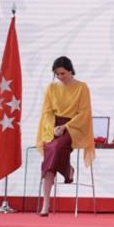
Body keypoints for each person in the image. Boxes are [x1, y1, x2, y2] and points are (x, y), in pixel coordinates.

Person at [36, 57, 93, 217]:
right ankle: (46, 201)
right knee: (52, 152)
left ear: (70, 70)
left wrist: (65, 126)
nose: (60, 76)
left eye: (62, 73)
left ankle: (67, 171)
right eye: (57, 74)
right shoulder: (51, 88)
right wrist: (53, 128)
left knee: (55, 148)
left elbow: (84, 113)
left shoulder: (82, 87)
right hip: (52, 126)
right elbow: (46, 112)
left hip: (73, 126)